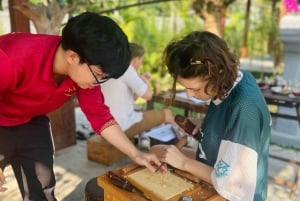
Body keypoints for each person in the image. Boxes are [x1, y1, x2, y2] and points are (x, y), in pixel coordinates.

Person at [0, 12, 161, 200]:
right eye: (99, 76)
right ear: (72, 57)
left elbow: (101, 117)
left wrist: (136, 154)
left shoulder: (84, 75)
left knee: (43, 188)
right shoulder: (12, 58)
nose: (99, 82)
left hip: (31, 120)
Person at [150, 31, 271, 201]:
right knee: (156, 152)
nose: (190, 95)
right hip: (215, 159)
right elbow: (225, 115)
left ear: (218, 73)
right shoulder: (234, 77)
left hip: (233, 191)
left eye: (196, 89)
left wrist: (183, 163)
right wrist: (205, 122)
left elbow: (232, 184)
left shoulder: (245, 108)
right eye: (186, 88)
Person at [101, 42, 176, 144]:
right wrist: (146, 82)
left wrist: (141, 81)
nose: (141, 64)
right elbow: (148, 96)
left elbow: (133, 98)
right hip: (121, 126)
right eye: (141, 60)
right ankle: (182, 141)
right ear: (137, 59)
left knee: (139, 110)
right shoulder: (127, 69)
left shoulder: (112, 68)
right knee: (167, 113)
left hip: (105, 126)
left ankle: (145, 139)